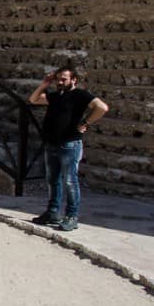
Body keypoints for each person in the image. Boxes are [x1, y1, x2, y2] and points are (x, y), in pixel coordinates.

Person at [28, 66, 109, 231]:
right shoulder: (55, 96)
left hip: (70, 144)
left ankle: (71, 216)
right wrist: (45, 83)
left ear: (73, 80)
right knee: (52, 180)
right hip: (51, 143)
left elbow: (102, 107)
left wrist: (86, 123)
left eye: (64, 79)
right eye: (58, 79)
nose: (60, 82)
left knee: (70, 181)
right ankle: (52, 212)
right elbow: (34, 100)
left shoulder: (80, 95)